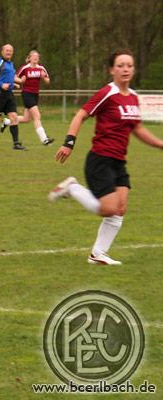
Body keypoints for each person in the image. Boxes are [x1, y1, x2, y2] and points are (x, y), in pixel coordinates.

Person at [48, 49, 163, 265]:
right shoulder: (108, 93)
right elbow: (81, 114)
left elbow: (137, 128)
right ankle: (72, 188)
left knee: (120, 209)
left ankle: (98, 254)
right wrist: (69, 142)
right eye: (120, 65)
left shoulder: (134, 97)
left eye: (129, 65)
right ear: (112, 70)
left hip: (119, 161)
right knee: (109, 209)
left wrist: (159, 144)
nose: (125, 69)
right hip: (100, 159)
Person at [11, 50, 54, 146]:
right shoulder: (25, 68)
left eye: (37, 56)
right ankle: (44, 139)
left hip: (35, 95)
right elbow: (14, 77)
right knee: (37, 116)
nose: (35, 58)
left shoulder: (41, 68)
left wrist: (44, 77)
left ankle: (8, 121)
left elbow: (48, 81)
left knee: (26, 119)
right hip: (27, 93)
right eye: (33, 56)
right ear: (29, 58)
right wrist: (21, 80)